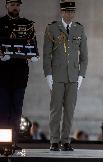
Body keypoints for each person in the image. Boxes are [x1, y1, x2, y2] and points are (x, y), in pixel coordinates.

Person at [43, 0, 88, 151]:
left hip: (73, 77)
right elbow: (46, 55)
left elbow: (84, 57)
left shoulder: (79, 29)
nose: (69, 14)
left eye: (72, 11)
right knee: (55, 110)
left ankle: (66, 140)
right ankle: (54, 141)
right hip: (56, 76)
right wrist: (48, 76)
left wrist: (81, 76)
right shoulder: (52, 28)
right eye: (67, 11)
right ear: (61, 12)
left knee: (69, 111)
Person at [0, 0, 39, 148]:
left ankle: (13, 142)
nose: (15, 7)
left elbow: (32, 42)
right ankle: (3, 142)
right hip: (2, 75)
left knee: (16, 110)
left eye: (17, 5)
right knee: (3, 111)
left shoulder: (27, 24)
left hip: (20, 75)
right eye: (12, 5)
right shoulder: (0, 23)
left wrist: (35, 54)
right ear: (6, 6)